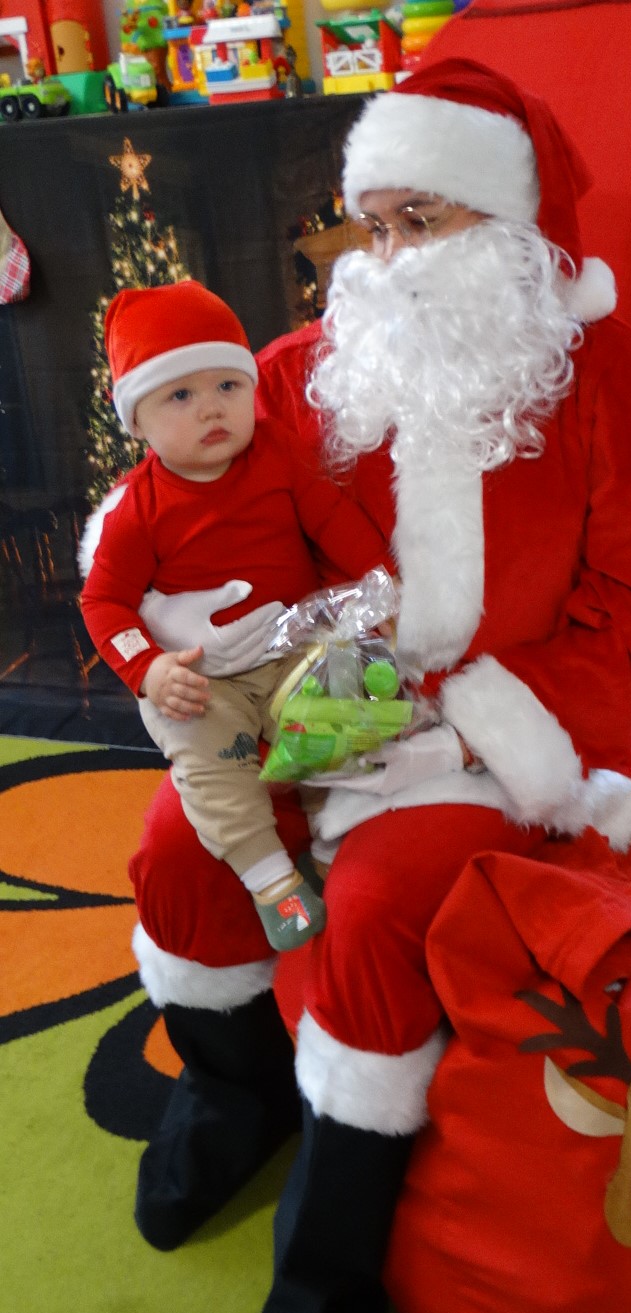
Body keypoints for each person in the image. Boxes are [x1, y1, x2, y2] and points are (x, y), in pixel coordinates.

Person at [115, 59, 631, 1313]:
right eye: (371, 224)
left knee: (372, 910)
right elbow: (189, 514)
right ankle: (236, 1088)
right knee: (177, 845)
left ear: (508, 219)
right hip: (317, 698)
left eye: (419, 220)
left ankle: (327, 1280)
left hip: (493, 725)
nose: (385, 257)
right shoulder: (300, 370)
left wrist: (484, 713)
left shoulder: (606, 372)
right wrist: (191, 645)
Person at [81, 280, 387, 957]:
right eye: (180, 396)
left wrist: (379, 579)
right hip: (205, 678)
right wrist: (148, 669)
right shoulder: (139, 510)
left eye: (227, 385)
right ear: (137, 423)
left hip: (293, 647)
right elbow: (102, 603)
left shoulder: (275, 452)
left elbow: (330, 517)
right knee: (208, 762)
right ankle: (272, 880)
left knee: (350, 703)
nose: (211, 408)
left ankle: (333, 837)